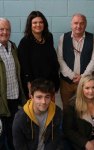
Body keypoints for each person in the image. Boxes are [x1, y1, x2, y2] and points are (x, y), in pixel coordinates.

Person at [57, 13, 94, 109]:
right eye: (76, 23)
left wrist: (82, 77)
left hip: (85, 83)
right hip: (66, 82)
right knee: (67, 109)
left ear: (85, 24)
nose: (78, 26)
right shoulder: (63, 38)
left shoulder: (93, 39)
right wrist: (72, 75)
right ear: (71, 24)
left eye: (82, 23)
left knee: (83, 109)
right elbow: (60, 59)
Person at [18, 11, 60, 99]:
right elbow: (25, 68)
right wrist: (30, 88)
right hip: (36, 87)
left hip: (50, 84)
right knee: (38, 111)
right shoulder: (25, 42)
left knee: (50, 110)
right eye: (35, 22)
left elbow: (52, 59)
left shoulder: (49, 37)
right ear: (30, 25)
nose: (38, 25)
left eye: (41, 22)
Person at [63, 75, 94, 150]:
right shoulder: (72, 105)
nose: (91, 91)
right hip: (80, 142)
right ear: (81, 89)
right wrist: (85, 143)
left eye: (93, 87)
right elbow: (68, 130)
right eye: (87, 88)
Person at [12, 78, 63, 150]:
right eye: (39, 97)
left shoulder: (57, 112)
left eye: (47, 97)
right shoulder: (20, 118)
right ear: (32, 97)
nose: (43, 102)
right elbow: (19, 146)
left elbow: (55, 139)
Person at [0, 18, 25, 150]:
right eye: (1, 29)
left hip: (14, 97)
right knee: (1, 133)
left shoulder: (13, 46)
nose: (5, 32)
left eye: (7, 29)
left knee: (12, 131)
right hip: (1, 100)